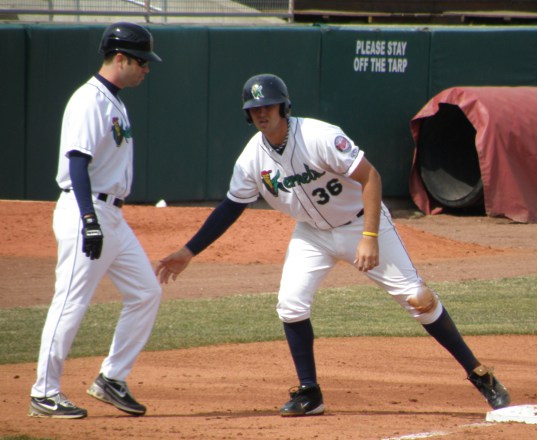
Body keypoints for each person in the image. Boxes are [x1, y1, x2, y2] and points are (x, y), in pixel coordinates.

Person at [155, 73, 511, 417]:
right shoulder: (251, 159)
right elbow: (231, 207)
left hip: (360, 222)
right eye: (255, 108)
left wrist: (369, 237)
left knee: (418, 301)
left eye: (270, 106)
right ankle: (309, 393)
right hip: (312, 234)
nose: (262, 112)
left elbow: (371, 177)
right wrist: (189, 251)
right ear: (247, 114)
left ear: (284, 107)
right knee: (290, 305)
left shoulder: (320, 136)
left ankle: (480, 374)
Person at [28, 22, 163, 419]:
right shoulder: (89, 100)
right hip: (85, 209)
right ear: (120, 59)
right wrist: (88, 218)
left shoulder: (114, 99)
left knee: (146, 293)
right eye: (142, 62)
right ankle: (44, 392)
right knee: (70, 300)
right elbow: (77, 162)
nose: (147, 69)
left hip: (112, 216)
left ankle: (111, 377)